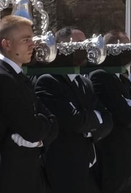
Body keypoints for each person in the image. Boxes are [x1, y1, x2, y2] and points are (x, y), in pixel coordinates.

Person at [0, 14, 54, 193]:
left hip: (24, 173)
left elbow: (52, 123)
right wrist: (40, 132)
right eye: (25, 39)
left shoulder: (16, 76)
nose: (32, 44)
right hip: (8, 177)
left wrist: (38, 139)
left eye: (32, 38)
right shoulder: (1, 79)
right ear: (6, 44)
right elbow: (33, 129)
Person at [35, 28, 111, 193]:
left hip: (88, 167)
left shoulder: (85, 82)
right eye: (79, 43)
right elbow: (73, 121)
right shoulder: (48, 81)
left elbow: (107, 119)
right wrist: (95, 120)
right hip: (64, 170)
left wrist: (90, 125)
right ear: (62, 47)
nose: (85, 47)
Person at [88, 31, 131, 193]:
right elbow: (125, 116)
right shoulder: (100, 76)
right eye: (126, 47)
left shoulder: (122, 79)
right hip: (110, 159)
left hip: (125, 161)